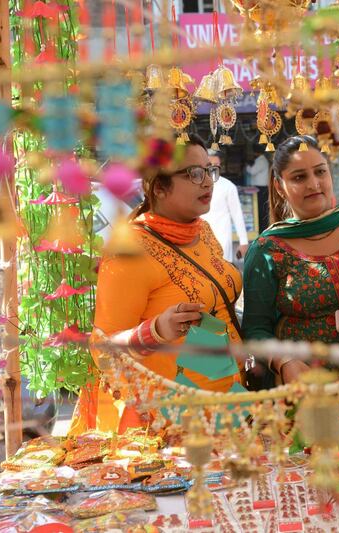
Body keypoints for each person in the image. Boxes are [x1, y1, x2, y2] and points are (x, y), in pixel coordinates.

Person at [71, 135, 242, 434]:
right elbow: (103, 349)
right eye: (194, 174)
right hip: (172, 423)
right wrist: (156, 331)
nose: (208, 183)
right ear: (159, 187)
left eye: (209, 171)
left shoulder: (204, 232)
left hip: (228, 405)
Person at [243, 135, 339, 385]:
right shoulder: (267, 249)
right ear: (279, 186)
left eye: (320, 172)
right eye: (299, 177)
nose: (313, 184)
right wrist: (284, 362)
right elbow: (255, 330)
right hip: (304, 390)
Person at [201, 150, 249, 263]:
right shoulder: (196, 185)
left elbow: (237, 214)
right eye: (210, 165)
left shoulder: (228, 186)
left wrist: (244, 241)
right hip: (200, 240)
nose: (214, 168)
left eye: (217, 165)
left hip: (222, 240)